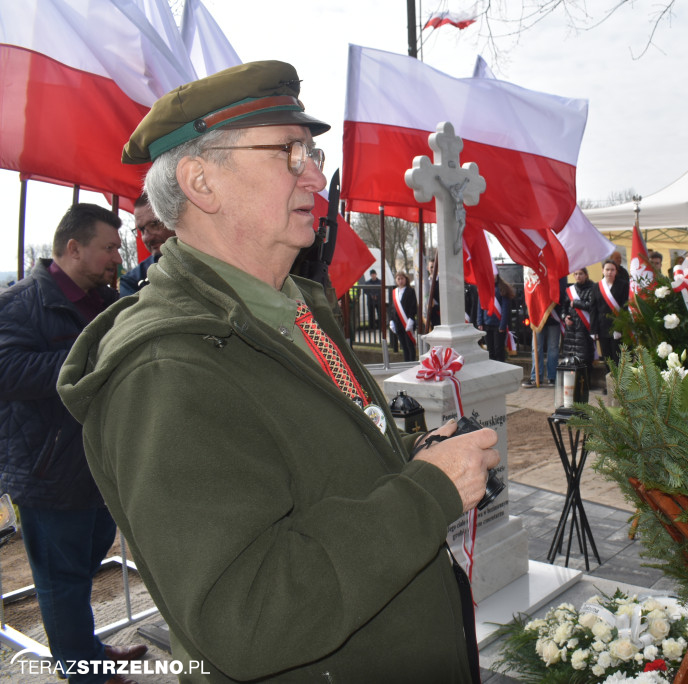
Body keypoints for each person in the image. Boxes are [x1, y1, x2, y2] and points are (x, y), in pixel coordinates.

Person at [57, 61, 499, 683]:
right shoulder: (167, 371)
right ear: (201, 181)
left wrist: (413, 452)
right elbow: (249, 615)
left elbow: (318, 465)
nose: (315, 173)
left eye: (311, 151)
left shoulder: (292, 306)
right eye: (289, 152)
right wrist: (428, 492)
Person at [1, 203, 148, 684]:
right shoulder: (21, 302)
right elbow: (8, 372)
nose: (116, 257)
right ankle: (84, 672)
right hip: (48, 473)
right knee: (61, 582)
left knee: (84, 567)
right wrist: (87, 358)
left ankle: (87, 648)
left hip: (97, 467)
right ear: (73, 247)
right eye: (108, 247)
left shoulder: (104, 300)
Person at [119, 192, 175, 296]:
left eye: (154, 225)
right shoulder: (132, 282)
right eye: (141, 230)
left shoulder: (208, 258)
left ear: (174, 219)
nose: (146, 238)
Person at [522, 276, 567, 387]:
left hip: (553, 314)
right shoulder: (536, 270)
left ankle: (552, 378)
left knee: (553, 348)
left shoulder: (558, 272)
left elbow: (560, 292)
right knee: (536, 348)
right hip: (537, 314)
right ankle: (536, 377)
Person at [591, 260, 628, 372]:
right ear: (603, 270)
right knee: (607, 358)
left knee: (617, 358)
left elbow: (624, 308)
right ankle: (609, 384)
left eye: (612, 270)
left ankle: (619, 386)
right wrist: (593, 330)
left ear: (616, 271)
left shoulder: (623, 285)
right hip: (602, 328)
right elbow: (593, 309)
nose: (609, 272)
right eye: (607, 269)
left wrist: (619, 328)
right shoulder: (597, 286)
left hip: (617, 328)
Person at [562, 268, 595, 381]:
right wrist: (564, 317)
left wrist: (576, 303)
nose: (578, 276)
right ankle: (573, 382)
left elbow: (592, 305)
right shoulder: (571, 290)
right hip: (571, 330)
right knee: (571, 357)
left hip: (585, 329)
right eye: (575, 274)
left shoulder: (592, 288)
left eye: (580, 274)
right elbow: (564, 308)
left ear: (586, 275)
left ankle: (585, 383)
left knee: (585, 357)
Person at [478, 274, 512, 362]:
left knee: (499, 351)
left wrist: (503, 325)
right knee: (490, 351)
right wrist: (480, 322)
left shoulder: (503, 289)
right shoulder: (484, 288)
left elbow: (505, 309)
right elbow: (480, 306)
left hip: (498, 325)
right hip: (487, 324)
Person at [388, 270, 418, 361]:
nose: (400, 280)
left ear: (406, 279)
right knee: (404, 346)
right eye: (398, 279)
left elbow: (413, 306)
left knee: (410, 345)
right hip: (398, 323)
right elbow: (392, 308)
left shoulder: (410, 291)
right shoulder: (394, 292)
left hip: (407, 322)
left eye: (402, 278)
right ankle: (406, 363)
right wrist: (391, 320)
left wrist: (411, 319)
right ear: (396, 280)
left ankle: (411, 363)